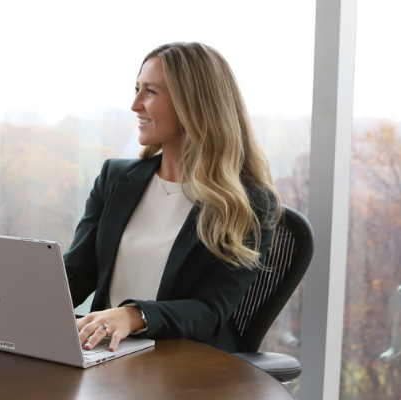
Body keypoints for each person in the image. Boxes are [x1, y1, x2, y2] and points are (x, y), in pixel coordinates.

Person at [66, 42, 280, 353]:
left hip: (184, 364)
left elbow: (210, 311)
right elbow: (76, 275)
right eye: (137, 89)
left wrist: (134, 315)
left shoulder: (247, 203)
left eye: (149, 92)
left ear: (192, 103)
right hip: (103, 353)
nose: (135, 104)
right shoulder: (115, 179)